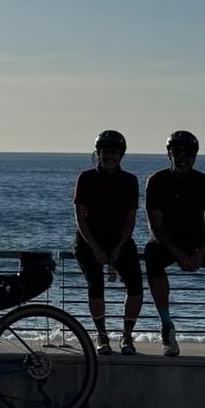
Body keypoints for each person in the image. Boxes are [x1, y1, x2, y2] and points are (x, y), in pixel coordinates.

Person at [144, 130, 205, 359]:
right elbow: (156, 228)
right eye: (176, 153)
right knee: (152, 256)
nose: (182, 158)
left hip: (198, 240)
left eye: (187, 154)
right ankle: (167, 327)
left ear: (194, 157)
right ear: (169, 155)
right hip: (167, 242)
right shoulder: (156, 181)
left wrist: (199, 253)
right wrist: (178, 254)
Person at [73, 129, 144, 355]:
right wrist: (95, 248)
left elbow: (130, 220)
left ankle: (126, 336)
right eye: (105, 152)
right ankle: (102, 336)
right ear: (98, 154)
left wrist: (118, 248)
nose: (109, 156)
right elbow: (79, 218)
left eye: (114, 152)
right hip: (88, 240)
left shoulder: (130, 181)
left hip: (120, 240)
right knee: (96, 286)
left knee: (136, 287)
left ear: (121, 155)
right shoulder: (86, 178)